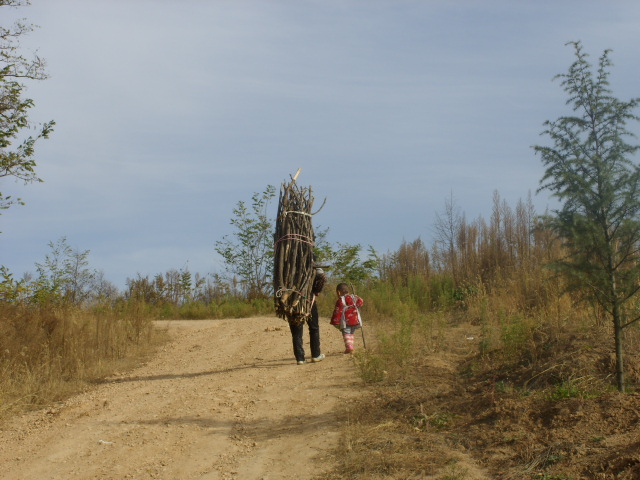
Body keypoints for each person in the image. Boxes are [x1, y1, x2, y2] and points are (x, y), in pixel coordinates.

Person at [289, 268, 327, 365]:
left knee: (296, 332)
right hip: (308, 300)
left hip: (292, 300)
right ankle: (316, 355)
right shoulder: (312, 267)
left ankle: (300, 359)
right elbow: (322, 277)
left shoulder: (289, 268)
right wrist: (316, 290)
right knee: (314, 328)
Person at [330, 282, 364, 354]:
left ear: (339, 292)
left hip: (346, 321)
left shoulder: (340, 300)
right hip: (355, 320)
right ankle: (351, 346)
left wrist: (335, 321)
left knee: (346, 333)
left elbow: (338, 311)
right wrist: (358, 297)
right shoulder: (353, 297)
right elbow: (360, 303)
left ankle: (349, 346)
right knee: (351, 333)